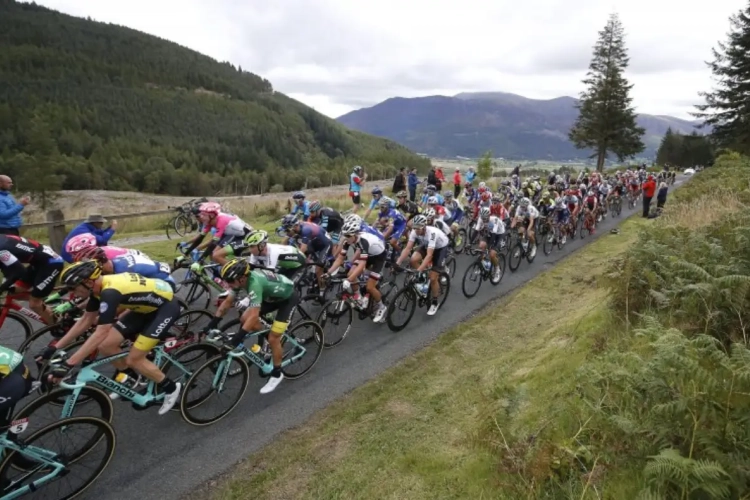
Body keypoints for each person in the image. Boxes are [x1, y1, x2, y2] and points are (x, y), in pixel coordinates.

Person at [48, 261, 182, 414]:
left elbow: (101, 331)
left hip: (165, 309)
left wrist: (69, 364)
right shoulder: (98, 289)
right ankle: (131, 378)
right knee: (106, 345)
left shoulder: (110, 292)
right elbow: (86, 321)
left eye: (73, 288)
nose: (72, 293)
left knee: (135, 359)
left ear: (88, 282)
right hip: (143, 309)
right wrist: (54, 347)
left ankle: (171, 388)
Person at [206, 259, 299, 394]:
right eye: (227, 281)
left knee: (274, 338)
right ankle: (269, 337)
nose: (229, 284)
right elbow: (227, 303)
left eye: (230, 281)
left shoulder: (254, 284)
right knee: (244, 318)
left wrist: (238, 338)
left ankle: (277, 373)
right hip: (272, 297)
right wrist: (212, 323)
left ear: (242, 278)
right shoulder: (239, 281)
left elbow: (254, 315)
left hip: (288, 298)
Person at [0, 235, 63, 325]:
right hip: (38, 263)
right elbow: (6, 269)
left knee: (34, 304)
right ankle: (46, 304)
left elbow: (19, 272)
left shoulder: (2, 250)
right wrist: (5, 285)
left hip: (52, 263)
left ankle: (60, 328)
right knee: (15, 292)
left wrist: (2, 288)